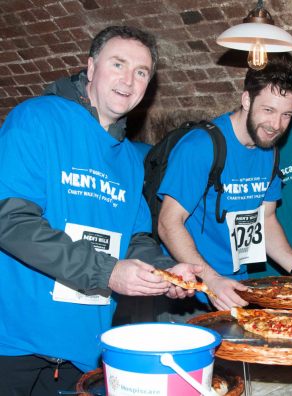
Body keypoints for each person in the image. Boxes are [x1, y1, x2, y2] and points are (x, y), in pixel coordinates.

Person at [0, 25, 201, 395]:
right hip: (15, 342)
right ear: (91, 68)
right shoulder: (37, 119)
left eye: (141, 72)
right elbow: (11, 222)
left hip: (85, 346)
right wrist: (107, 272)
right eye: (118, 64)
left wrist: (166, 271)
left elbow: (135, 237)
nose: (129, 80)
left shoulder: (128, 159)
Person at [157, 54, 292, 317]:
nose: (276, 125)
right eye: (268, 110)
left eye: (286, 115)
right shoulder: (200, 146)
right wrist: (210, 280)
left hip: (237, 285)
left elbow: (266, 220)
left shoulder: (269, 151)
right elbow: (168, 223)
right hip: (189, 289)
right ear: (246, 100)